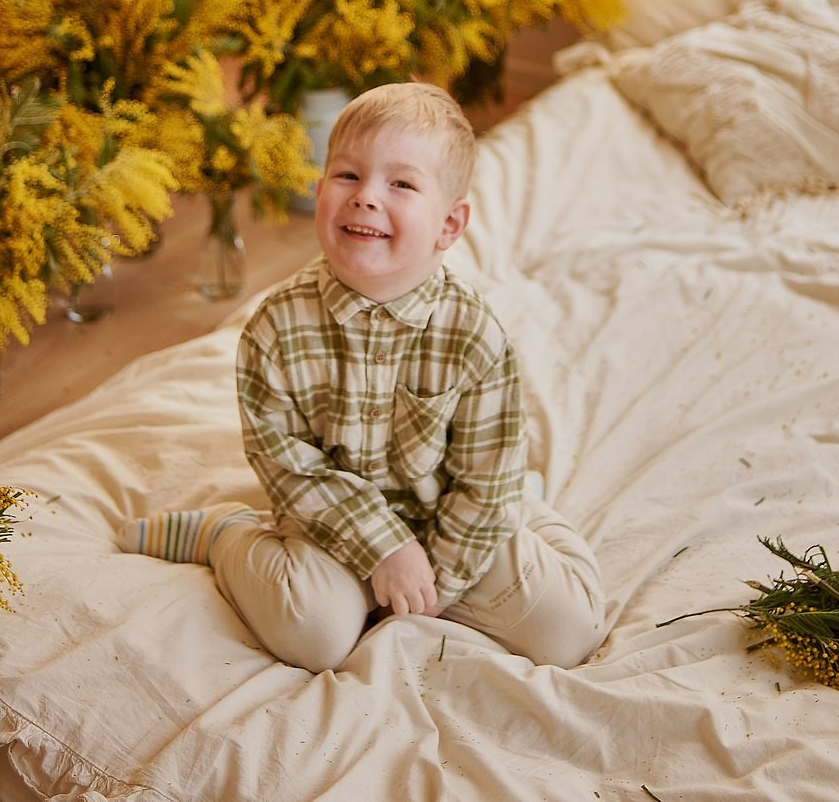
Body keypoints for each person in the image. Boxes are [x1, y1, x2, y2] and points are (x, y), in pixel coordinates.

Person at [117, 82, 604, 672]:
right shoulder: (276, 327)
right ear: (320, 190)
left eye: (401, 184)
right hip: (332, 523)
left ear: (449, 225)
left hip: (449, 511)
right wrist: (384, 548)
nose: (366, 197)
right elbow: (286, 463)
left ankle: (526, 507)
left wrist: (439, 582)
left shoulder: (473, 333)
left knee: (570, 631)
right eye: (348, 176)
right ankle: (224, 533)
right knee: (313, 636)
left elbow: (484, 473)